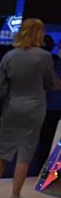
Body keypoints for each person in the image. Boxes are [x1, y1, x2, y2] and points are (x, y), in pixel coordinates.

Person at [0, 19, 56, 198]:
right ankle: (14, 197)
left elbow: (0, 88)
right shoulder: (44, 56)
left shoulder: (9, 56)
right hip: (35, 107)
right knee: (25, 151)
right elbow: (50, 82)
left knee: (2, 150)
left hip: (12, 106)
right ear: (39, 33)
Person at [36, 35, 61, 172]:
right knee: (45, 140)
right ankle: (44, 168)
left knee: (54, 140)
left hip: (55, 107)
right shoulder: (43, 62)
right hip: (44, 107)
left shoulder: (56, 62)